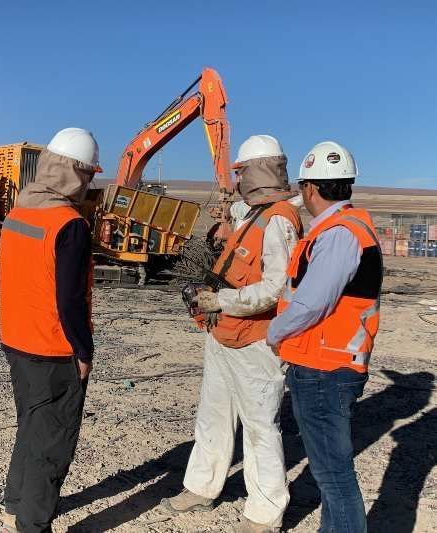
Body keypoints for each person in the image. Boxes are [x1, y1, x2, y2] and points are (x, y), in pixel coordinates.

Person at [164, 135, 302, 533]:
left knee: (260, 427)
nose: (236, 179)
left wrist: (221, 300)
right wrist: (223, 217)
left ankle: (265, 512)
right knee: (213, 416)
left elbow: (277, 288)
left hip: (255, 340)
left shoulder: (278, 220)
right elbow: (235, 216)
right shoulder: (255, 213)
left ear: (255, 172)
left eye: (240, 172)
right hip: (224, 333)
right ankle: (201, 488)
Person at [267, 141, 382, 533]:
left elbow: (311, 303)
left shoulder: (338, 235)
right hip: (331, 362)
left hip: (324, 367)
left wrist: (274, 332)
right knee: (330, 472)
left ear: (310, 189)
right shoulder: (349, 228)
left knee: (333, 475)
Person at [0, 127, 100, 533]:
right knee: (52, 442)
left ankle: (15, 505)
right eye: (89, 176)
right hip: (52, 347)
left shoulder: (19, 211)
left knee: (31, 424)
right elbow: (70, 300)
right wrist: (83, 352)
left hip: (17, 339)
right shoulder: (69, 224)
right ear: (78, 174)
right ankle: (32, 524)